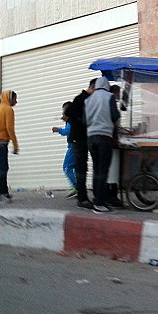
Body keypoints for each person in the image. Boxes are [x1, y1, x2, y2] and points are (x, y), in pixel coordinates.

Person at [84, 76, 120, 214]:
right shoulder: (109, 96)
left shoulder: (88, 100)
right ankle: (99, 203)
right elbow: (115, 116)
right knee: (103, 171)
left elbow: (84, 120)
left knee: (96, 169)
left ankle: (97, 199)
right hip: (104, 137)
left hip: (91, 138)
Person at [65, 78, 97, 210]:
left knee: (83, 166)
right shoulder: (81, 99)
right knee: (81, 167)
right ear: (92, 88)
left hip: (83, 138)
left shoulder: (86, 99)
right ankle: (82, 197)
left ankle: (83, 195)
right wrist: (80, 120)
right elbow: (68, 112)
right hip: (78, 139)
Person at [0, 91, 19, 203]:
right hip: (1, 143)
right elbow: (10, 129)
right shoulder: (8, 110)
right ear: (9, 99)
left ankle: (4, 192)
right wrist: (15, 145)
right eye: (15, 99)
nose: (16, 102)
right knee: (3, 168)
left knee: (3, 167)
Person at [52, 101, 77, 199]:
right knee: (75, 168)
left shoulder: (71, 122)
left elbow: (67, 131)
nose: (62, 114)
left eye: (64, 112)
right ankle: (77, 188)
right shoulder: (75, 120)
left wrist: (57, 129)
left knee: (67, 167)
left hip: (72, 148)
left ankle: (75, 187)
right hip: (77, 147)